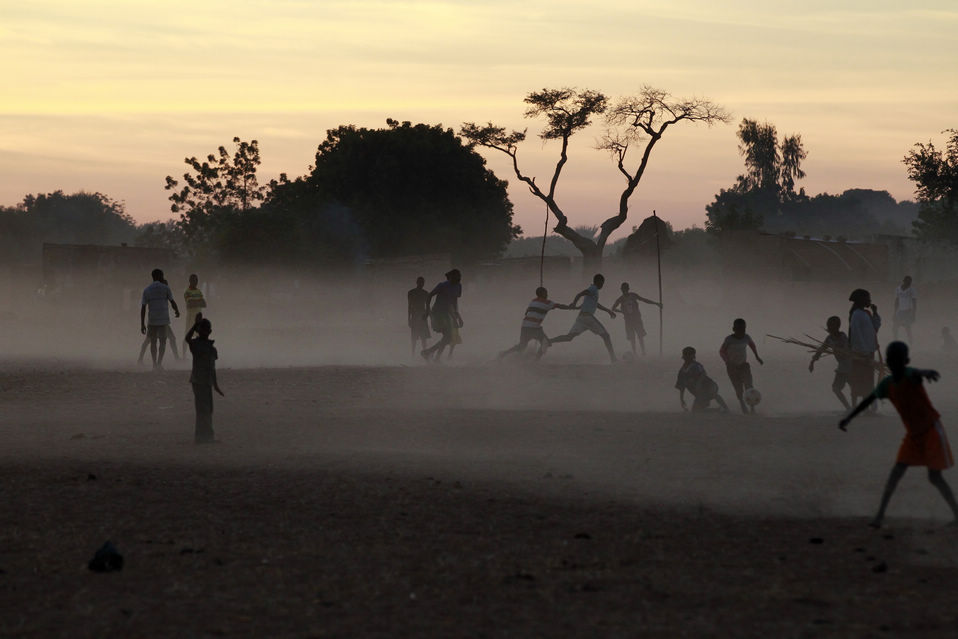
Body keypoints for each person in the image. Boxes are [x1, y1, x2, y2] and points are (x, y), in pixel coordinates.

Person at [839, 341, 958, 528]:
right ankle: (879, 516)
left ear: (906, 361)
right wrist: (849, 418)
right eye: (892, 360)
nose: (895, 364)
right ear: (887, 361)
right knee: (896, 473)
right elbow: (867, 401)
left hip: (931, 431)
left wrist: (926, 372)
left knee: (935, 477)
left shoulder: (910, 376)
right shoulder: (887, 385)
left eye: (899, 360)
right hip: (913, 436)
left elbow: (916, 373)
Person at [549, 274, 617, 363]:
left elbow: (596, 304)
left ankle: (548, 341)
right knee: (606, 336)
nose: (602, 285)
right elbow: (580, 293)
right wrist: (574, 303)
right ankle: (614, 359)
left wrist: (608, 311)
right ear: (598, 281)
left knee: (569, 337)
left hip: (581, 318)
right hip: (588, 317)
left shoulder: (593, 290)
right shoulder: (593, 289)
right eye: (602, 283)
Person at [498, 286, 573, 360]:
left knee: (522, 346)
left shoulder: (533, 301)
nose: (547, 295)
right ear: (543, 294)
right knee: (546, 343)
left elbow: (526, 312)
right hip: (534, 328)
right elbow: (559, 306)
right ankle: (536, 360)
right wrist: (570, 307)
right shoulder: (547, 303)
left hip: (525, 326)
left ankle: (503, 353)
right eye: (546, 293)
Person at [184, 313, 224, 444]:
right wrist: (216, 385)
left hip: (201, 381)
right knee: (205, 409)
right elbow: (212, 368)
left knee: (205, 409)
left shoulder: (201, 346)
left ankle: (204, 436)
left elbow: (187, 338)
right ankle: (205, 437)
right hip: (201, 381)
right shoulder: (206, 347)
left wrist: (215, 385)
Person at [719, 318, 764, 414]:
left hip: (744, 365)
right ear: (733, 329)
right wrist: (727, 362)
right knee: (738, 388)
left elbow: (752, 345)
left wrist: (757, 356)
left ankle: (752, 407)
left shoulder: (746, 337)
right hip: (732, 367)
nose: (741, 331)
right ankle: (742, 405)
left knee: (749, 386)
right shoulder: (729, 339)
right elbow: (722, 351)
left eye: (743, 329)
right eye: (739, 329)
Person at [139, 269, 180, 370]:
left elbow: (143, 308)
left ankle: (154, 364)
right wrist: (177, 311)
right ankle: (159, 363)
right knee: (163, 342)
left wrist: (142, 324)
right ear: (160, 276)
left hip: (152, 320)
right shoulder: (165, 288)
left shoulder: (147, 290)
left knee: (153, 342)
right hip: (163, 320)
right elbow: (172, 301)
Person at [809, 315, 852, 410]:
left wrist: (838, 349)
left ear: (837, 327)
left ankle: (851, 408)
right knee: (837, 389)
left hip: (848, 366)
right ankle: (849, 408)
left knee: (843, 388)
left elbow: (846, 350)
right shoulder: (829, 338)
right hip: (843, 366)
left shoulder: (842, 336)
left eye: (831, 326)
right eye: (828, 326)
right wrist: (812, 361)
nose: (829, 328)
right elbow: (821, 349)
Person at [848, 288, 882, 408]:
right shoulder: (856, 314)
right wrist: (863, 351)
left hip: (868, 352)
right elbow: (856, 334)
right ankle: (856, 406)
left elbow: (875, 327)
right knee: (860, 380)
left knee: (867, 380)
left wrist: (875, 313)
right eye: (868, 298)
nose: (870, 300)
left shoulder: (866, 314)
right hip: (861, 354)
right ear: (861, 300)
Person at [421, 269, 463, 362]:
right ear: (450, 277)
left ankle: (433, 355)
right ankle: (429, 353)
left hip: (448, 313)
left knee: (448, 337)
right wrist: (427, 311)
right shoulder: (443, 285)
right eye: (455, 277)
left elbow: (454, 301)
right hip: (438, 312)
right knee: (448, 336)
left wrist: (458, 316)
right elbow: (430, 295)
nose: (458, 278)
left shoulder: (458, 286)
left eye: (459, 277)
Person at [611, 282, 662, 357]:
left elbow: (644, 300)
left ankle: (643, 352)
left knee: (640, 335)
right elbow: (613, 308)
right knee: (632, 338)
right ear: (621, 290)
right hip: (628, 320)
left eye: (625, 289)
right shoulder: (620, 299)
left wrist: (656, 303)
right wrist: (622, 311)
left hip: (636, 319)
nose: (624, 290)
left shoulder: (633, 295)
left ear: (628, 289)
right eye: (623, 289)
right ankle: (635, 353)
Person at [675, 346, 728, 412]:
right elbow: (681, 387)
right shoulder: (682, 371)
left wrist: (698, 383)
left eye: (689, 354)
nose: (687, 357)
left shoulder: (696, 365)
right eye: (686, 354)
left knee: (714, 395)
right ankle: (718, 410)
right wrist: (682, 400)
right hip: (699, 394)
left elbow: (703, 373)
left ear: (693, 356)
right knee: (696, 411)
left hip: (709, 387)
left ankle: (725, 408)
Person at [407, 276, 431, 357]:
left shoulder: (425, 293)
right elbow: (409, 306)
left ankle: (424, 353)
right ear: (417, 282)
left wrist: (427, 315)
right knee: (414, 337)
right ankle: (413, 354)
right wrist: (409, 318)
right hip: (415, 316)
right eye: (420, 282)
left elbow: (428, 307)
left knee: (423, 337)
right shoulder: (411, 293)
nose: (421, 284)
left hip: (422, 316)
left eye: (422, 283)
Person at [183, 273, 207, 347]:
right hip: (190, 316)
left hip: (198, 317)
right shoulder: (187, 291)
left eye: (196, 280)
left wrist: (194, 301)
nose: (195, 282)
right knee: (187, 335)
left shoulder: (199, 291)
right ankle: (184, 355)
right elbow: (190, 304)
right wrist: (198, 301)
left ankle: (198, 354)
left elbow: (204, 304)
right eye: (194, 280)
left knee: (199, 335)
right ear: (190, 281)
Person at [892, 275, 917, 342]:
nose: (909, 284)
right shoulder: (898, 289)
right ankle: (895, 340)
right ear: (904, 281)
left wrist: (914, 313)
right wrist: (894, 312)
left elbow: (914, 302)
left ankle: (910, 341)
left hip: (908, 311)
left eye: (910, 282)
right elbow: (896, 301)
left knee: (907, 328)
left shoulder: (912, 290)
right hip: (900, 311)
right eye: (908, 282)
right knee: (895, 327)